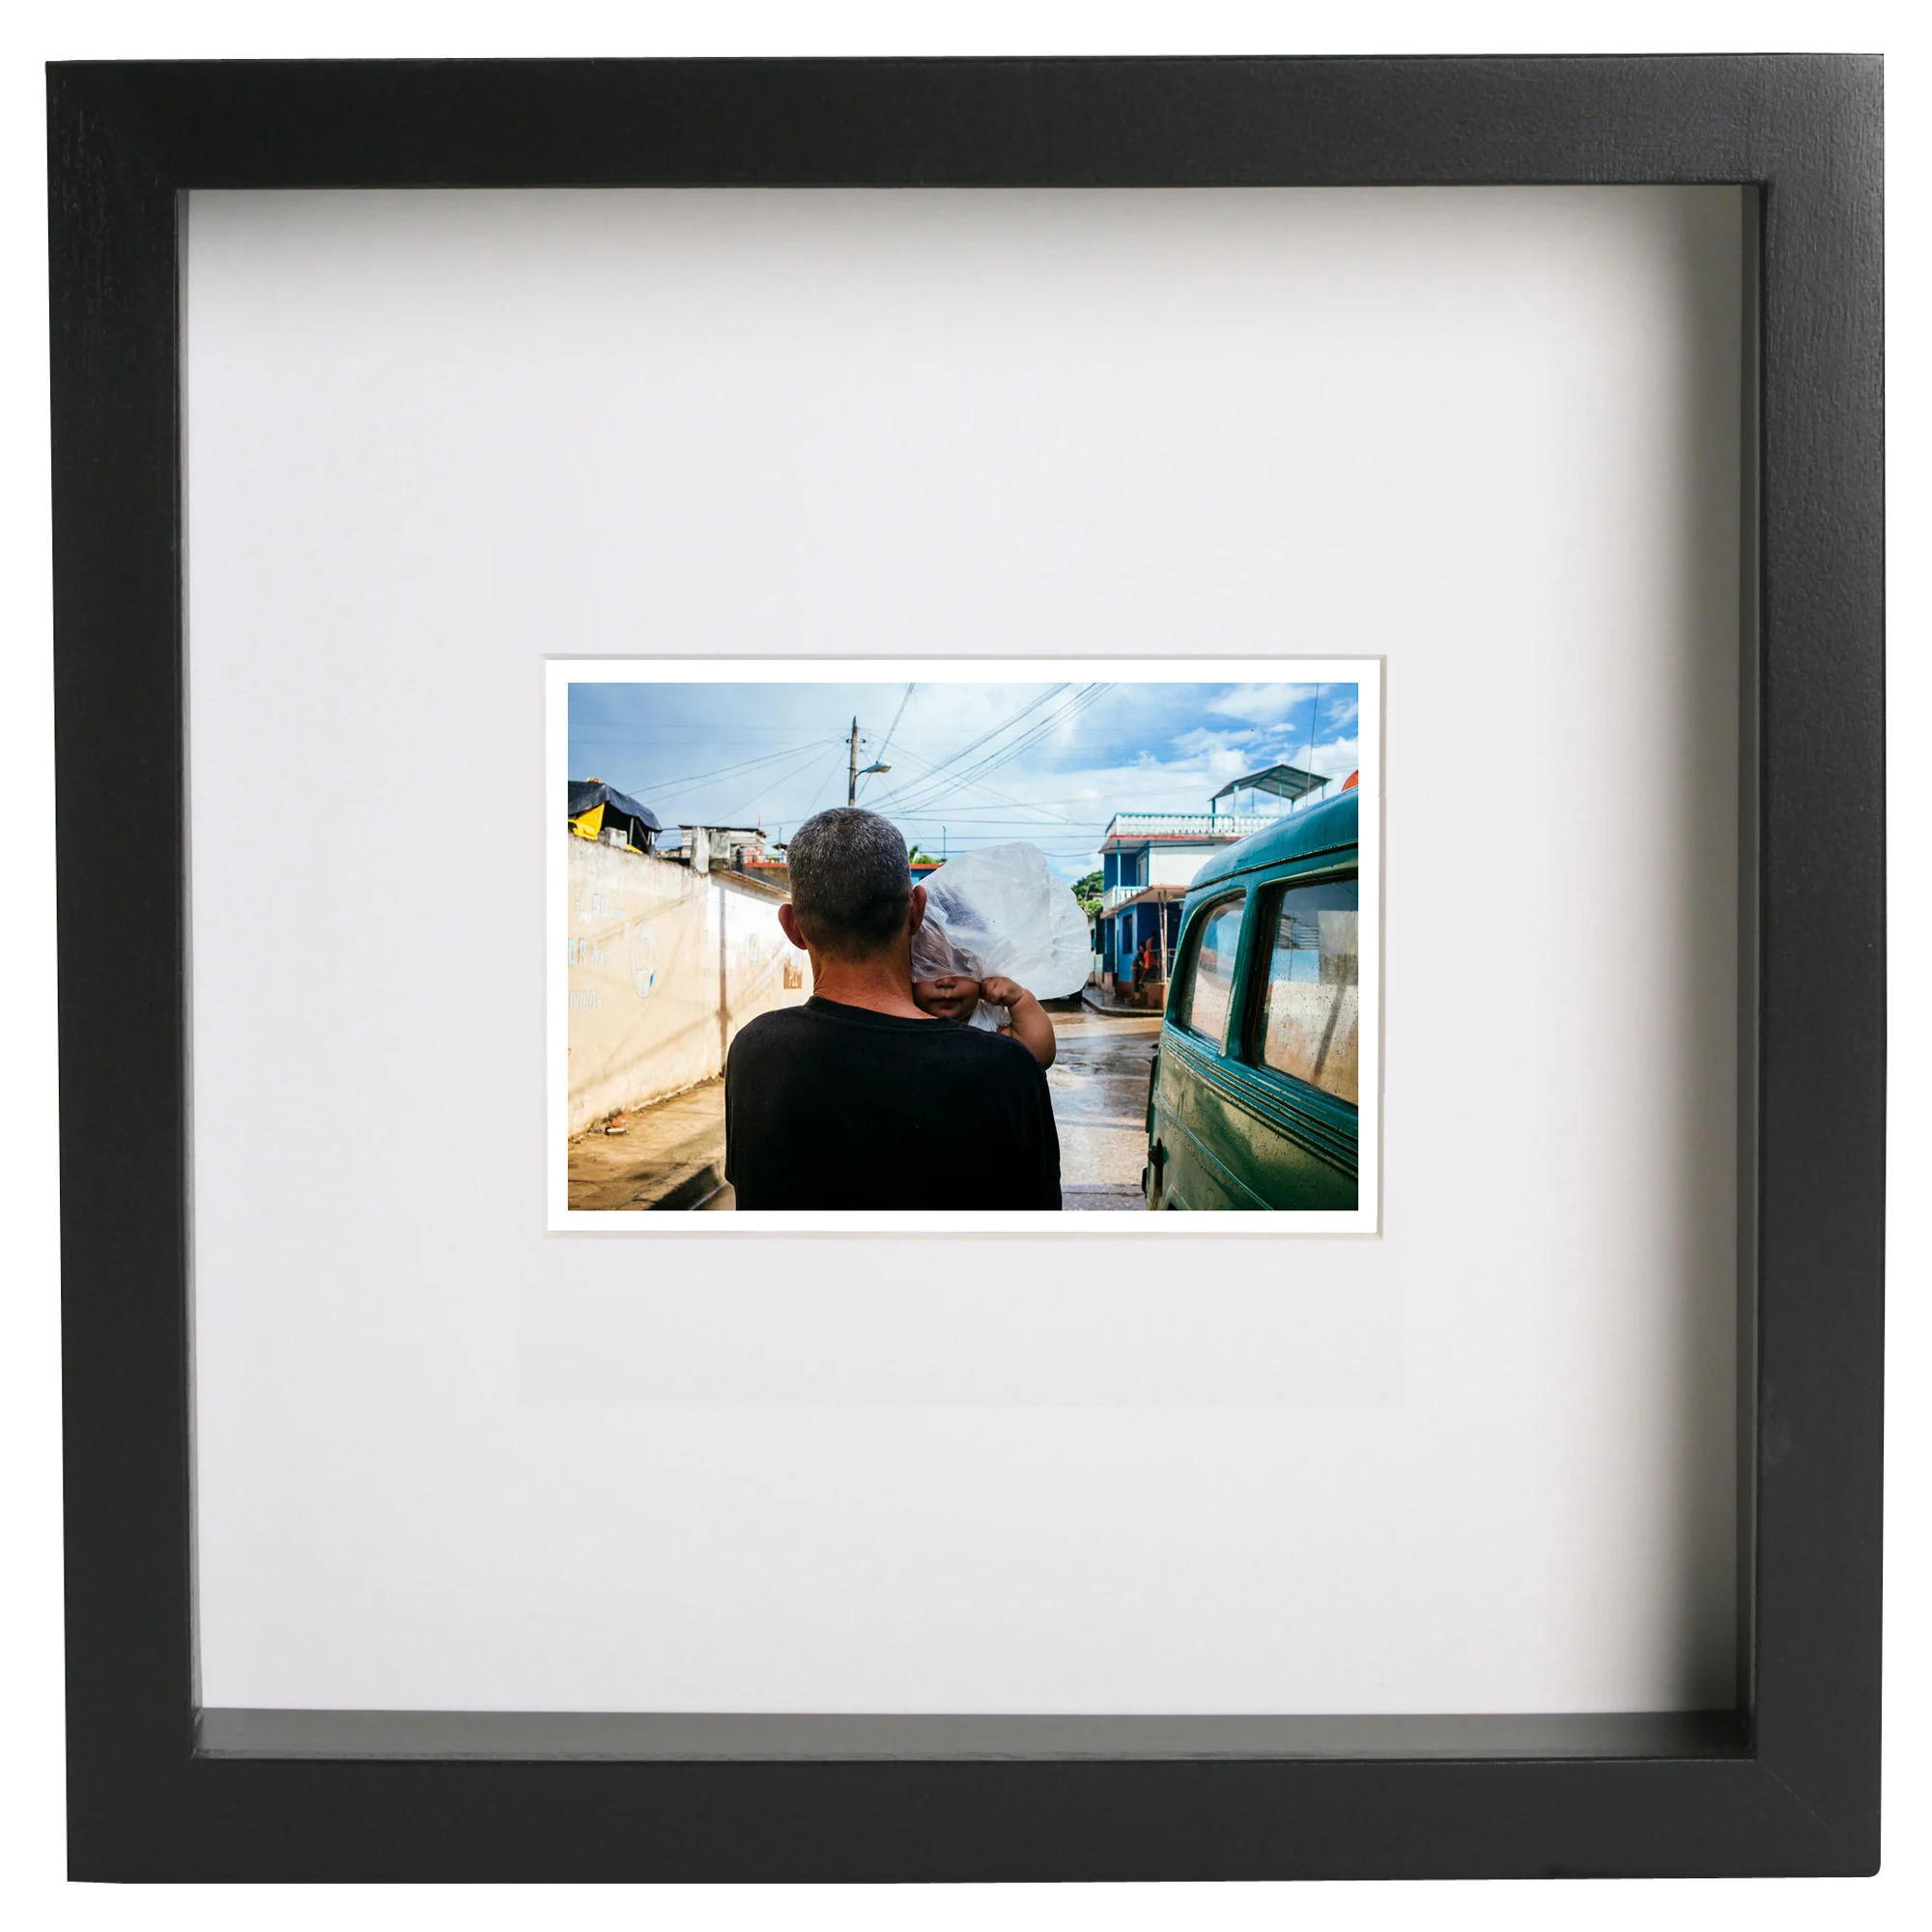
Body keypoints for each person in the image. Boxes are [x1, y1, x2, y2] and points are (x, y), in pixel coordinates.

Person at [724, 808, 1062, 1211]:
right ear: (916, 910)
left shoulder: (753, 1051)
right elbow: (1039, 1229)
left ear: (792, 926)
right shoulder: (1005, 1069)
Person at [910, 969, 1057, 1068]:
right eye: (929, 968)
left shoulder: (989, 1019)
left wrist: (1020, 1000)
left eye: (962, 967)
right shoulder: (903, 1020)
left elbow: (1038, 1057)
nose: (946, 981)